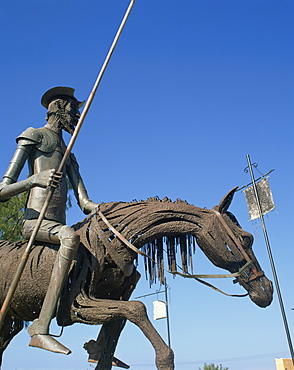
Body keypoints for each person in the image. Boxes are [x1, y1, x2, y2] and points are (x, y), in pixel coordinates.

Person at [0, 86, 98, 354]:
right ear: (61, 108)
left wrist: (105, 211)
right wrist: (35, 180)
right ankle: (40, 329)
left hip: (56, 222)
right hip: (36, 224)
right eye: (74, 111)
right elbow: (2, 191)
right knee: (70, 236)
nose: (77, 116)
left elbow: (84, 202)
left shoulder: (68, 151)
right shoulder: (34, 136)